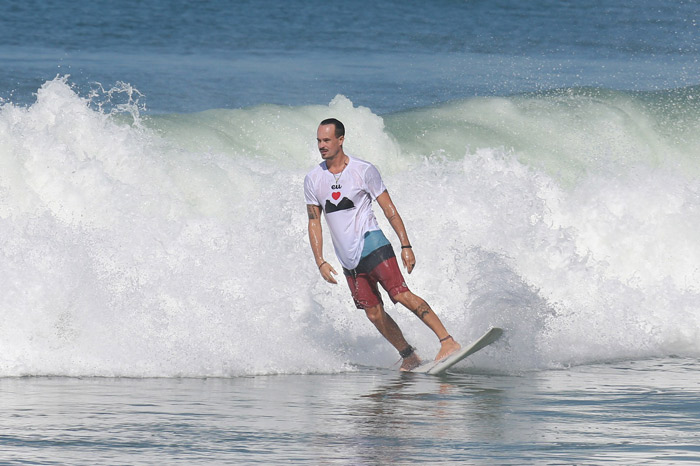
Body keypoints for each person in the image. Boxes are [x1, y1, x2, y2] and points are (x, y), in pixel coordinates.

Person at [304, 118, 461, 371]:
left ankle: (448, 341)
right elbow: (314, 222)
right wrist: (320, 260)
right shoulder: (313, 179)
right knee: (374, 313)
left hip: (373, 243)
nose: (322, 146)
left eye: (327, 140)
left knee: (400, 293)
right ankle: (409, 356)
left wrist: (405, 245)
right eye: (319, 141)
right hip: (348, 258)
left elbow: (389, 210)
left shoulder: (363, 170)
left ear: (340, 140)